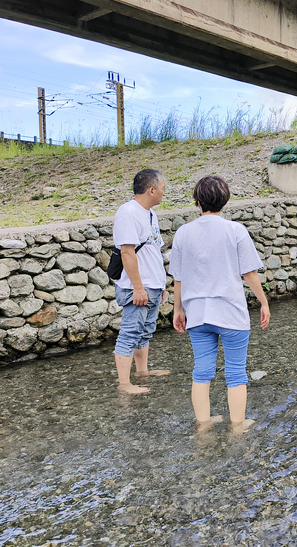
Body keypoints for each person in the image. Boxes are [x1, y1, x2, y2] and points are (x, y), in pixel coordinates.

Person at [169, 175, 270, 434]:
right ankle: (238, 426)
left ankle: (203, 426)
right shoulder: (235, 230)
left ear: (198, 202)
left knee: (201, 371)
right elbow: (249, 273)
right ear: (224, 201)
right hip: (231, 313)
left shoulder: (183, 233)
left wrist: (177, 310)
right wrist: (263, 301)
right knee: (236, 373)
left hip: (198, 314)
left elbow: (178, 277)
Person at [112, 169, 171, 394]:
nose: (164, 192)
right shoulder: (128, 213)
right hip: (137, 286)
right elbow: (127, 252)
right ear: (151, 189)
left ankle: (142, 371)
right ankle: (124, 384)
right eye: (163, 188)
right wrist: (138, 288)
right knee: (130, 333)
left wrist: (161, 284)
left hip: (152, 284)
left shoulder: (150, 214)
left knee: (145, 331)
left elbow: (153, 250)